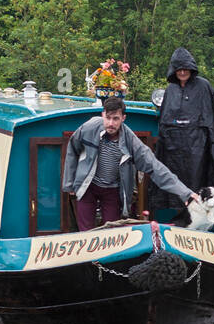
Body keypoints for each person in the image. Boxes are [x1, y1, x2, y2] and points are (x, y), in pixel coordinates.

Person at [62, 97, 199, 231]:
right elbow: (72, 149)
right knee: (85, 231)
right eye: (108, 117)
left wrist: (185, 193)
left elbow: (155, 167)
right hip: (88, 185)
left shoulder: (131, 141)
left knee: (112, 231)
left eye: (115, 119)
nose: (111, 123)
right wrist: (69, 183)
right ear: (102, 115)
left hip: (112, 189)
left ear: (123, 118)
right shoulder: (89, 128)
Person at [152, 47, 214, 210]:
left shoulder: (203, 86)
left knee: (199, 180)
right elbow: (164, 121)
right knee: (175, 184)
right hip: (174, 148)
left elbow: (213, 119)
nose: (182, 72)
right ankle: (177, 215)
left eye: (185, 68)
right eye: (178, 69)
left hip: (197, 147)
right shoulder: (171, 90)